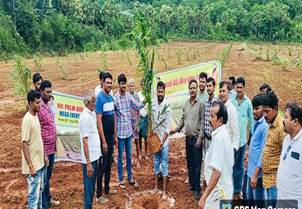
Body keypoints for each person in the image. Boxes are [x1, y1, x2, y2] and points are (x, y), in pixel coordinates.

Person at [170, 79, 205, 200]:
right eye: (190, 88)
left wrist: (200, 138)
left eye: (194, 88)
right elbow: (183, 120)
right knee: (190, 164)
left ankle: (197, 189)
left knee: (197, 165)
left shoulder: (201, 104)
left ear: (196, 89)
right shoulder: (186, 103)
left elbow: (203, 122)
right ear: (188, 89)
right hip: (188, 138)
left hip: (196, 139)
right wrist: (175, 130)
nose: (192, 90)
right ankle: (191, 184)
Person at [198, 101, 234, 209]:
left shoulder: (219, 138)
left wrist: (204, 197)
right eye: (209, 115)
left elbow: (217, 172)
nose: (209, 119)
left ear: (220, 120)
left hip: (218, 194)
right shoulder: (223, 134)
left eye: (212, 116)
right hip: (224, 190)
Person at [114, 74, 144, 189]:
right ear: (119, 84)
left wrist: (146, 102)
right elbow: (115, 118)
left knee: (129, 156)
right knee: (121, 157)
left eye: (125, 84)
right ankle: (121, 179)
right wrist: (115, 135)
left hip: (128, 132)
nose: (124, 86)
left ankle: (130, 177)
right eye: (122, 84)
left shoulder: (128, 96)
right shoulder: (115, 98)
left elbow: (137, 106)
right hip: (120, 133)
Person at [22, 90, 46, 209]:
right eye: (37, 103)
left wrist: (44, 156)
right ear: (30, 103)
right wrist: (31, 166)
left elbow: (38, 139)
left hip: (40, 163)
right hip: (34, 166)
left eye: (40, 102)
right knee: (33, 197)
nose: (39, 105)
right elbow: (24, 144)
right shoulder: (27, 120)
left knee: (39, 193)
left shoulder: (35, 116)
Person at [261, 92, 286, 207]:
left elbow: (285, 157)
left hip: (275, 182)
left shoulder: (281, 128)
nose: (264, 115)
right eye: (263, 111)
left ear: (275, 109)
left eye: (267, 111)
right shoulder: (270, 124)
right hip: (267, 180)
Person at [38, 80, 60, 208]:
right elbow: (38, 130)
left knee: (48, 177)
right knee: (44, 179)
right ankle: (44, 204)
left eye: (51, 91)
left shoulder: (49, 104)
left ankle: (48, 200)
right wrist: (43, 153)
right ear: (41, 92)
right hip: (44, 150)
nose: (49, 94)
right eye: (47, 92)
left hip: (51, 148)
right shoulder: (39, 106)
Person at [231, 76, 254, 200]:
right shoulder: (231, 100)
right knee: (229, 165)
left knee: (239, 166)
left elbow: (252, 121)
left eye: (241, 87)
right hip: (231, 140)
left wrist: (251, 137)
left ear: (244, 88)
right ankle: (229, 187)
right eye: (237, 87)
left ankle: (237, 190)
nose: (238, 90)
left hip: (241, 141)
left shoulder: (248, 103)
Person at [95, 72, 117, 203]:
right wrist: (103, 141)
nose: (109, 85)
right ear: (102, 83)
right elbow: (99, 121)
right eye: (107, 82)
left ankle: (107, 188)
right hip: (102, 139)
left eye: (110, 83)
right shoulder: (100, 98)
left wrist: (114, 136)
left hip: (110, 138)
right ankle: (98, 195)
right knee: (102, 166)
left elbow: (113, 117)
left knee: (109, 164)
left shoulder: (110, 98)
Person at [79, 91, 102, 209]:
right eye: (94, 102)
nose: (95, 104)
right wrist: (88, 163)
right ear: (88, 103)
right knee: (89, 190)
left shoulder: (91, 114)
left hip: (95, 157)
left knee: (92, 188)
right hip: (90, 161)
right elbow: (85, 141)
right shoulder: (84, 118)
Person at [277, 102, 302, 208]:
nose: (283, 120)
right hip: (281, 198)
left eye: (286, 117)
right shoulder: (286, 139)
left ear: (295, 121)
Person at [246, 93, 268, 202]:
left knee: (258, 202)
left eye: (257, 109)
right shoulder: (256, 122)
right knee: (249, 199)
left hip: (257, 175)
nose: (254, 111)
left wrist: (255, 175)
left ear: (263, 109)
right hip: (250, 171)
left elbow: (263, 153)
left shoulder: (264, 127)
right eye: (253, 108)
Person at [152, 81, 172, 199]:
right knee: (155, 163)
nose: (160, 93)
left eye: (162, 91)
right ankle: (155, 187)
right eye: (158, 91)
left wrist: (161, 142)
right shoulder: (153, 104)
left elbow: (167, 128)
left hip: (163, 142)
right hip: (155, 141)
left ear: (164, 92)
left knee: (164, 164)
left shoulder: (167, 107)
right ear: (156, 91)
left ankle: (164, 190)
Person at [218, 81, 240, 151]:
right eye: (220, 91)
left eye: (224, 91)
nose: (221, 94)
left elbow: (236, 132)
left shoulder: (231, 109)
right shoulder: (219, 107)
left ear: (228, 92)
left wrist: (233, 149)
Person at [128, 78, 141, 168]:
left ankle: (138, 157)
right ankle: (131, 159)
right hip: (129, 121)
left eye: (132, 85)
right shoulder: (127, 95)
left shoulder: (136, 96)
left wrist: (138, 123)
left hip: (135, 120)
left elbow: (138, 109)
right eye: (130, 85)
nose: (131, 87)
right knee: (129, 141)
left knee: (137, 140)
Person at [138, 91, 149, 160]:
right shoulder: (138, 94)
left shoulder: (148, 94)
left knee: (146, 138)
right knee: (139, 137)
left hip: (146, 117)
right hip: (140, 117)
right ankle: (140, 153)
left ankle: (145, 153)